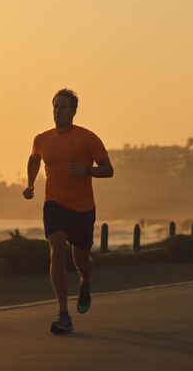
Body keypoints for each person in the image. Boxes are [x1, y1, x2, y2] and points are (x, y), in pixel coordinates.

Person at [23, 88, 114, 333]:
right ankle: (64, 314)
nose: (58, 111)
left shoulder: (87, 138)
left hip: (83, 208)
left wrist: (86, 171)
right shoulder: (42, 139)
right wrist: (30, 184)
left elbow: (108, 170)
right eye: (55, 106)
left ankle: (85, 280)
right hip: (54, 204)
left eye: (64, 107)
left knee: (81, 262)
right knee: (57, 247)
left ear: (74, 111)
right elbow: (34, 159)